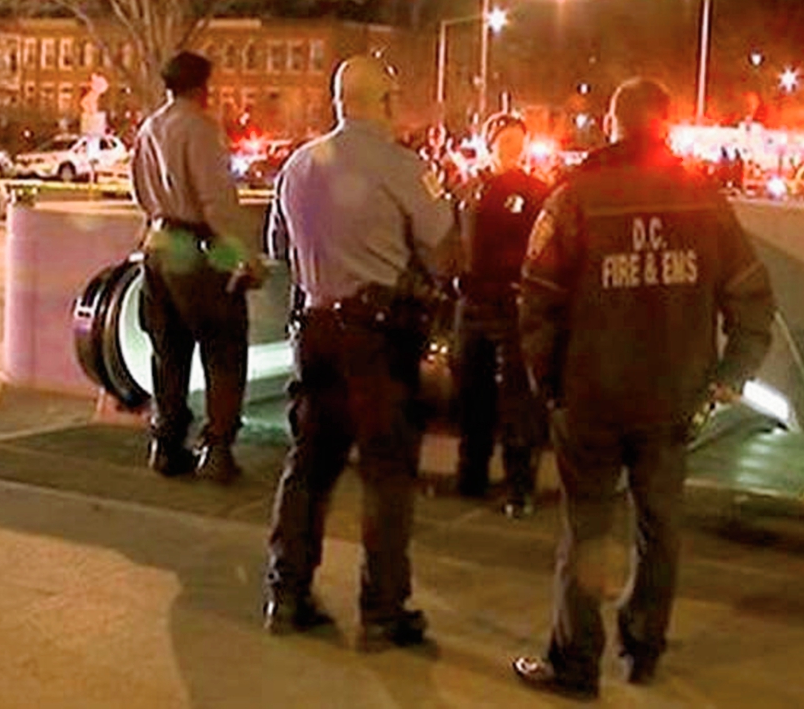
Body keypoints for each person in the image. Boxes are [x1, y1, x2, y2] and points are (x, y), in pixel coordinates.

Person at [512, 78, 775, 698]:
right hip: (673, 396)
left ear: (613, 123)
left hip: (593, 394)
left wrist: (549, 384)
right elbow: (752, 297)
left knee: (588, 528)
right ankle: (644, 646)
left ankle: (576, 662)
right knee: (662, 525)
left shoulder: (574, 197)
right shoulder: (706, 201)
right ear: (667, 125)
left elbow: (537, 301)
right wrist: (728, 377)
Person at [263, 55, 459, 650]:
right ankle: (383, 610)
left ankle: (287, 593)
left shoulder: (298, 164)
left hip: (316, 328)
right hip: (378, 339)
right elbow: (446, 254)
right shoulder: (404, 167)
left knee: (310, 465)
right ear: (387, 100)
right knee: (387, 473)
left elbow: (276, 244)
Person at [130, 50, 266, 484]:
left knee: (167, 351)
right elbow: (216, 205)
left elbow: (139, 191)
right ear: (201, 86)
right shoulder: (201, 129)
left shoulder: (150, 127)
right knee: (224, 346)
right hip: (197, 247)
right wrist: (246, 257)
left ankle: (166, 443)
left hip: (158, 242)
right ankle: (218, 449)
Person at [453, 112, 551, 518]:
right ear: (490, 143)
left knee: (516, 400)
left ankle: (518, 485)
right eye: (504, 140)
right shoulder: (470, 188)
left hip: (512, 303)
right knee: (471, 391)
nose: (511, 148)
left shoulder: (536, 192)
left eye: (517, 141)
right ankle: (471, 475)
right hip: (473, 300)